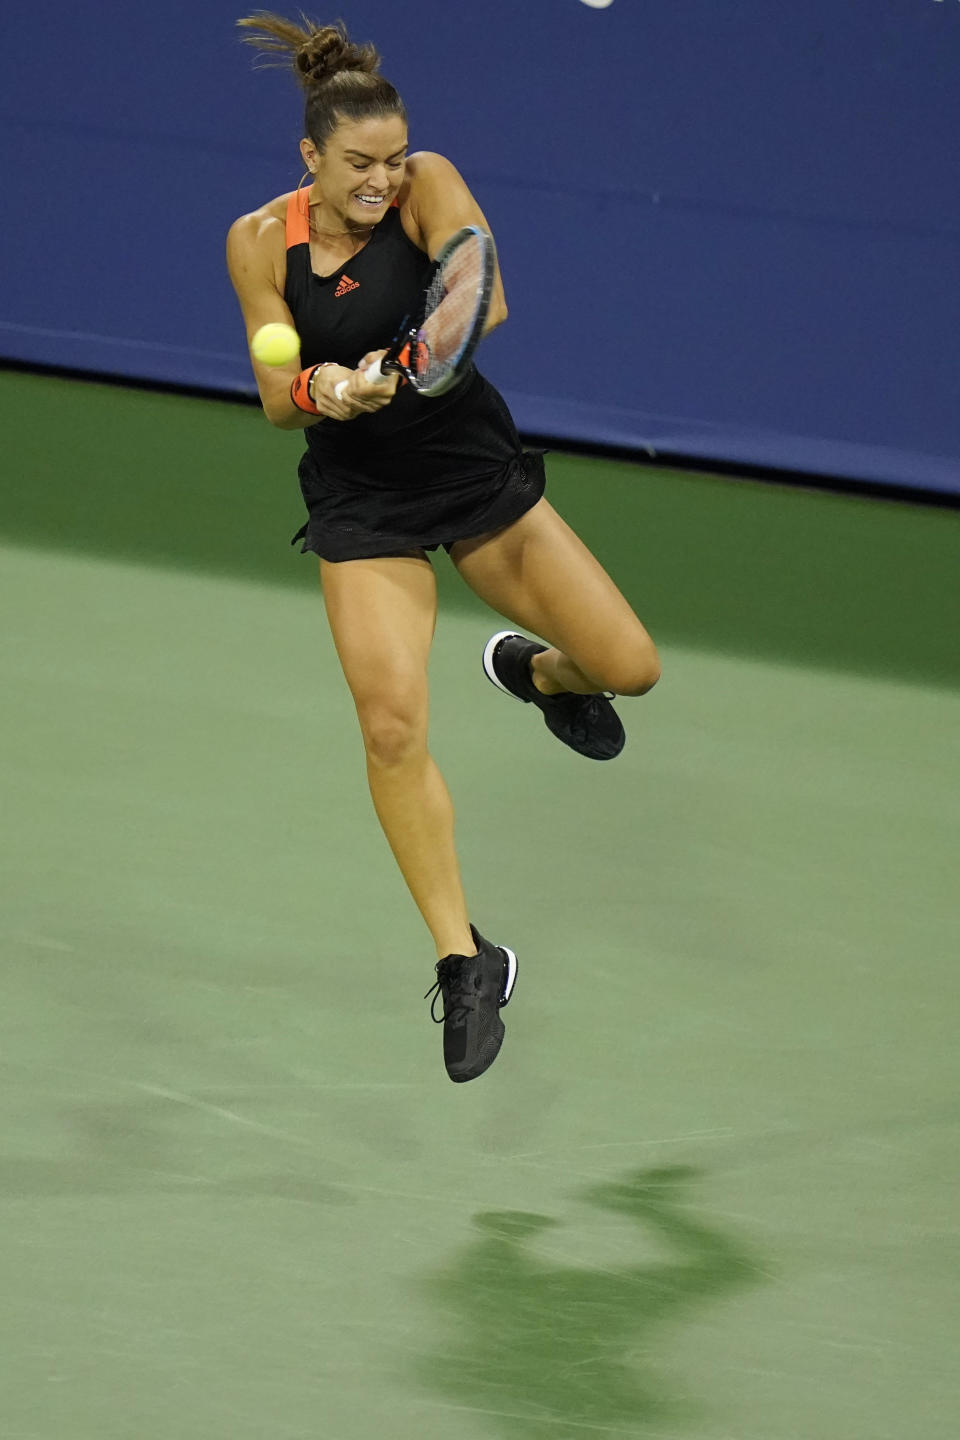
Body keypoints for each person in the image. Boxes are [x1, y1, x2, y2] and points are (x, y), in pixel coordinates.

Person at [226, 14, 661, 1085]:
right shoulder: (255, 244)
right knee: (388, 728)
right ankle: (467, 960)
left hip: (470, 473)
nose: (382, 179)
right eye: (358, 165)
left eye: (391, 158)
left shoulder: (429, 184)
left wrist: (403, 367)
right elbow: (276, 403)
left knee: (630, 668)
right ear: (309, 160)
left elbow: (484, 298)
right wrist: (322, 390)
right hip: (363, 502)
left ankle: (541, 671)